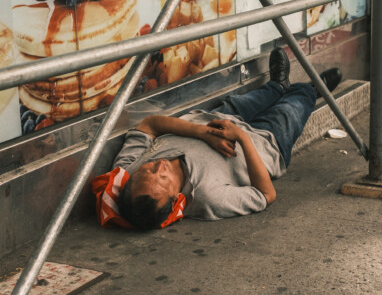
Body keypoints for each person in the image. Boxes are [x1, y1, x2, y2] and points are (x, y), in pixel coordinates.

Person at [109, 48, 342, 229]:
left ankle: (277, 85)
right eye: (163, 178)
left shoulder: (127, 171)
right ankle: (311, 90)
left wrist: (203, 133)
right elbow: (266, 195)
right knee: (295, 103)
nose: (159, 166)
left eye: (148, 170)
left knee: (263, 94)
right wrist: (241, 137)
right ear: (176, 201)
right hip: (266, 143)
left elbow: (148, 124)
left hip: (223, 116)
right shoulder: (209, 199)